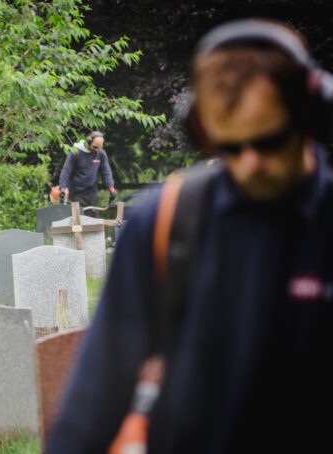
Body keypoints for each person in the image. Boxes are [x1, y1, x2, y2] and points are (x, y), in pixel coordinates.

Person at [47, 19, 333, 453]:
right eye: (229, 147)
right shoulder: (163, 225)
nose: (248, 163)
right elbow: (95, 397)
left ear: (310, 115)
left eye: (268, 141)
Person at [58, 131, 117, 209]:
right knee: (77, 219)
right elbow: (66, 171)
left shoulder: (100, 154)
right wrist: (62, 188)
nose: (96, 149)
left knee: (94, 219)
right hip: (76, 193)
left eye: (99, 147)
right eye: (95, 147)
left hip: (92, 193)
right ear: (88, 141)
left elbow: (106, 172)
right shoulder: (75, 152)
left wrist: (111, 188)